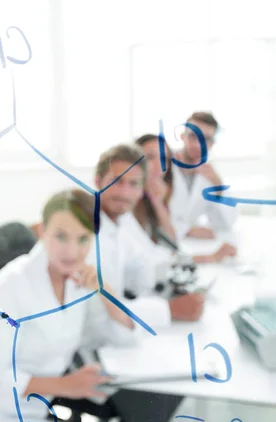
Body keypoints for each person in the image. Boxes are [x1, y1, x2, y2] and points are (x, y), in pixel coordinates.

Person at [0, 189, 137, 422]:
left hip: (32, 415)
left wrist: (104, 291)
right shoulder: (10, 285)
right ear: (42, 231)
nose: (72, 251)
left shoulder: (79, 281)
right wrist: (67, 385)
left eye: (83, 239)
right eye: (61, 236)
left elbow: (108, 337)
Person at [90, 144, 205, 325]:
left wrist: (178, 284)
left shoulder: (118, 222)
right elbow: (98, 312)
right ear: (98, 181)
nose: (124, 192)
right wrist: (169, 309)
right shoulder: (85, 231)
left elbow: (141, 267)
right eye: (116, 181)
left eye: (133, 184)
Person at [133, 134, 238, 264]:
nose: (160, 165)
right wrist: (209, 258)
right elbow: (149, 260)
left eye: (164, 159)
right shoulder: (127, 204)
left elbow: (170, 243)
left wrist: (157, 202)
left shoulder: (151, 199)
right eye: (150, 157)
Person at [169, 112, 238, 244]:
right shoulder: (163, 166)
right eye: (193, 136)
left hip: (188, 245)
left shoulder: (208, 177)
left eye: (206, 139)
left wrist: (218, 185)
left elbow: (224, 223)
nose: (198, 144)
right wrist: (186, 230)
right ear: (182, 137)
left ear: (212, 143)